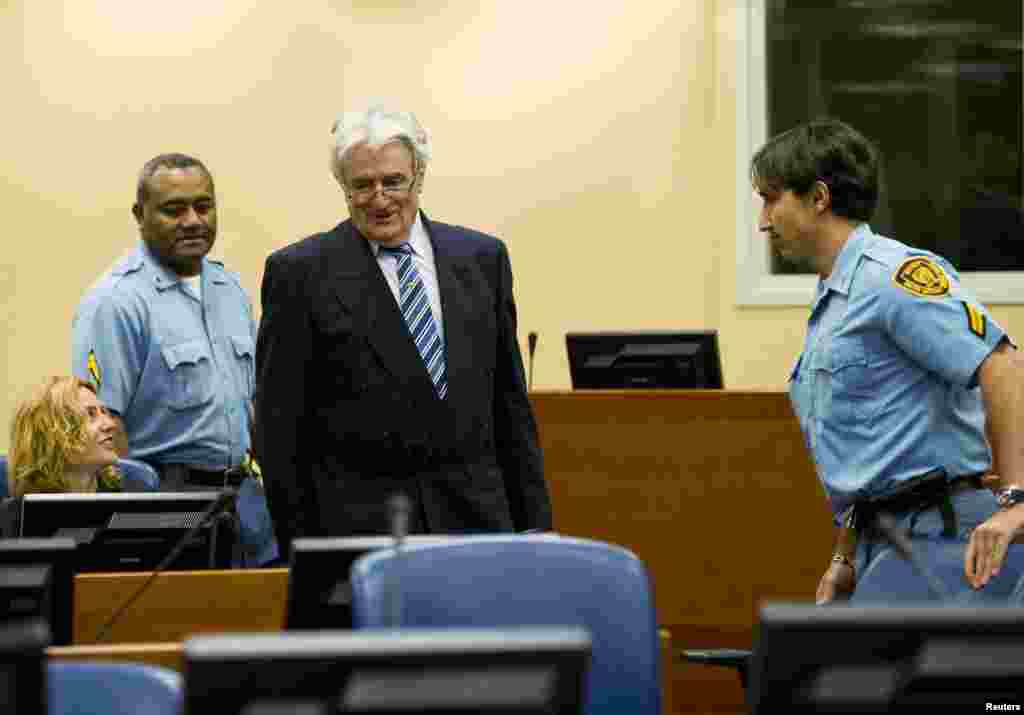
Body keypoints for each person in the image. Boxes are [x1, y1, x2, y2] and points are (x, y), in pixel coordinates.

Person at [254, 104, 552, 558]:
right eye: (362, 185)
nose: (380, 199)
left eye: (393, 181)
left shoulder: (482, 259)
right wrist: (304, 554)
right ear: (343, 186)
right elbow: (280, 433)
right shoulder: (300, 275)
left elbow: (510, 409)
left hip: (479, 526)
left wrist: (536, 529)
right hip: (363, 537)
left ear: (419, 177)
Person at [751, 118, 1024, 603]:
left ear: (818, 198)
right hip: (882, 539)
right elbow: (873, 459)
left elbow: (1002, 365)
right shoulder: (835, 298)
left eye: (772, 199)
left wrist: (1016, 501)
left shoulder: (891, 277)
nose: (763, 221)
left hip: (941, 536)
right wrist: (845, 557)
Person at [70, 153, 277, 565]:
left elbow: (251, 401)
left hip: (242, 500)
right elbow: (105, 427)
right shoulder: (116, 302)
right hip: (167, 501)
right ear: (140, 215)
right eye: (174, 210)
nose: (193, 221)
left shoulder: (229, 289)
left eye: (203, 206)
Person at [7, 376, 120, 497]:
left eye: (104, 412)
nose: (110, 424)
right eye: (91, 414)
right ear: (51, 435)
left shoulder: (128, 496)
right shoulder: (17, 509)